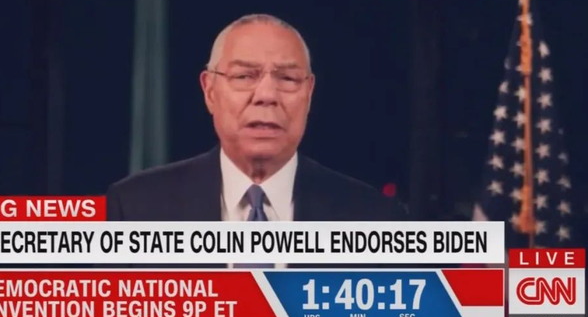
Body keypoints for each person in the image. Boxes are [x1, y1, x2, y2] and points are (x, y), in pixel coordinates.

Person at [106, 13, 406, 228]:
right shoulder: (134, 209)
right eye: (244, 76)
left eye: (287, 78)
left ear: (309, 93)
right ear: (210, 91)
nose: (266, 95)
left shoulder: (376, 221)